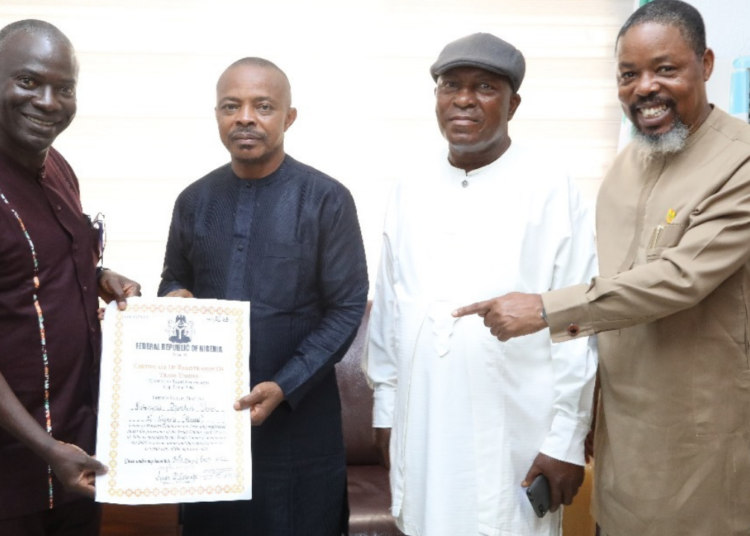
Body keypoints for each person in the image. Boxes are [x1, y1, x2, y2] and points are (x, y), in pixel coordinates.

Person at [453, 2, 750, 535]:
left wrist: (545, 308)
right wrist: (581, 414)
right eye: (628, 74)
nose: (644, 88)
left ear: (705, 65)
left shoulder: (741, 161)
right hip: (621, 438)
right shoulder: (626, 166)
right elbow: (609, 291)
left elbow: (679, 279)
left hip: (703, 439)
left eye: (665, 69)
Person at [364, 32, 598, 536]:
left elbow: (579, 323)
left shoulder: (553, 189)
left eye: (485, 87)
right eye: (451, 86)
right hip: (424, 427)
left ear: (514, 104)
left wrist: (566, 440)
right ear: (436, 99)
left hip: (515, 435)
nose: (464, 99)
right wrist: (386, 410)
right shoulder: (410, 188)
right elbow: (390, 308)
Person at [158, 57, 368, 535]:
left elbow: (346, 307)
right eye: (231, 106)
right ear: (217, 115)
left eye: (263, 106)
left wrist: (285, 385)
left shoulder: (326, 199)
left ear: (288, 118)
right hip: (207, 429)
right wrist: (176, 296)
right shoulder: (193, 200)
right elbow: (172, 277)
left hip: (299, 427)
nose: (245, 117)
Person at [0, 19, 141, 536]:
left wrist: (99, 274)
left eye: (65, 88)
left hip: (79, 452)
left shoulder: (56, 165)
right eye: (28, 82)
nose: (48, 101)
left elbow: (39, 263)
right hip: (15, 470)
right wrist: (44, 448)